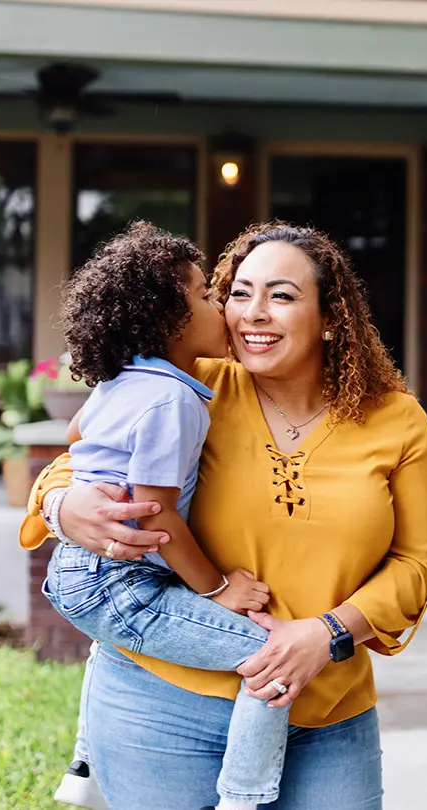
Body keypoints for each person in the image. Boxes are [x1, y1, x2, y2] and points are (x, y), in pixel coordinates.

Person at [20, 222, 427, 810]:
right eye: (239, 293)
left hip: (328, 713)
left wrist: (326, 634)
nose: (253, 313)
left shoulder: (398, 420)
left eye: (282, 295)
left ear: (331, 318)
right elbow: (76, 460)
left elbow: (414, 567)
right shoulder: (188, 385)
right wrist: (63, 507)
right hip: (160, 707)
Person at [43, 222, 288, 810]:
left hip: (83, 570)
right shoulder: (171, 399)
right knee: (271, 659)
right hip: (117, 579)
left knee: (111, 642)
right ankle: (241, 799)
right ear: (168, 319)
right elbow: (159, 521)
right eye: (206, 295)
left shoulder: (129, 380)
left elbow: (78, 436)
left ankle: (84, 767)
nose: (221, 306)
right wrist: (219, 588)